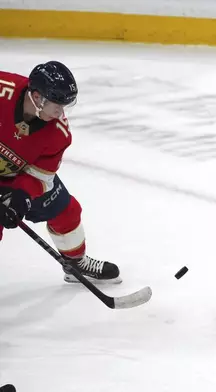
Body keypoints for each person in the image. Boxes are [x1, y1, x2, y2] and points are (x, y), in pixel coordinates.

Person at [0, 61, 121, 284]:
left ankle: (76, 264)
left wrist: (22, 197)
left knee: (66, 211)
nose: (60, 112)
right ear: (37, 97)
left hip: (15, 177)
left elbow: (40, 176)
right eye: (56, 104)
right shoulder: (2, 89)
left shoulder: (58, 134)